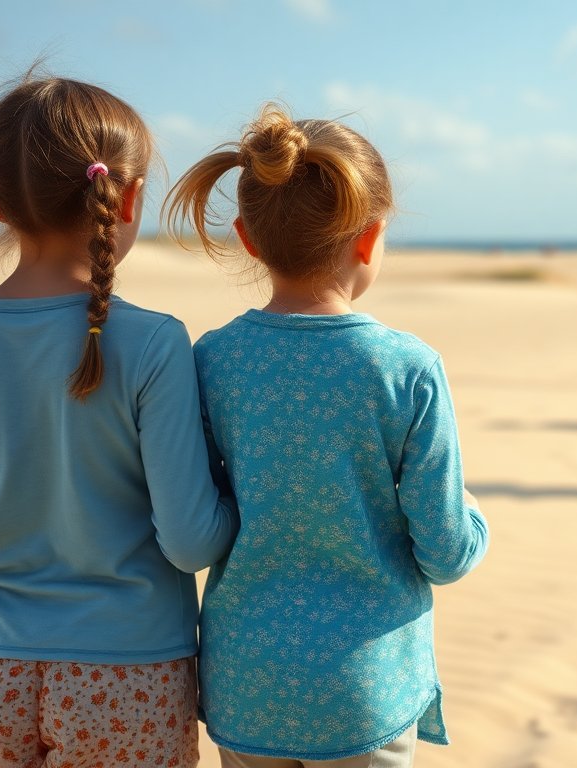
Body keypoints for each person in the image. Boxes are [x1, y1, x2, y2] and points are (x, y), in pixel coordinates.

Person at [0, 74, 237, 768]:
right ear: (128, 198)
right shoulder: (153, 342)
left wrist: (7, 548)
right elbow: (191, 542)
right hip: (131, 675)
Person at [165, 104, 489, 767]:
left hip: (244, 681)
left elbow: (200, 519)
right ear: (369, 238)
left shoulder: (213, 360)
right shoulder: (406, 368)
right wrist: (474, 518)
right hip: (364, 686)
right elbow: (446, 554)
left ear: (247, 239)